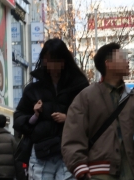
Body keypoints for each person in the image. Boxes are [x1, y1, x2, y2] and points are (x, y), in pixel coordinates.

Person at [61, 43, 134, 180]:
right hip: (98, 174)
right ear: (108, 64)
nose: (127, 61)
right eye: (122, 57)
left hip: (131, 173)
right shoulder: (86, 98)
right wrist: (80, 169)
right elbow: (72, 137)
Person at [13, 38, 89, 180]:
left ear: (64, 61)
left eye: (55, 60)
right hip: (42, 152)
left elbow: (91, 118)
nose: (50, 65)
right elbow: (18, 120)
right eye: (47, 60)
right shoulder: (33, 89)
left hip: (70, 152)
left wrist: (69, 119)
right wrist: (34, 115)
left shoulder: (80, 87)